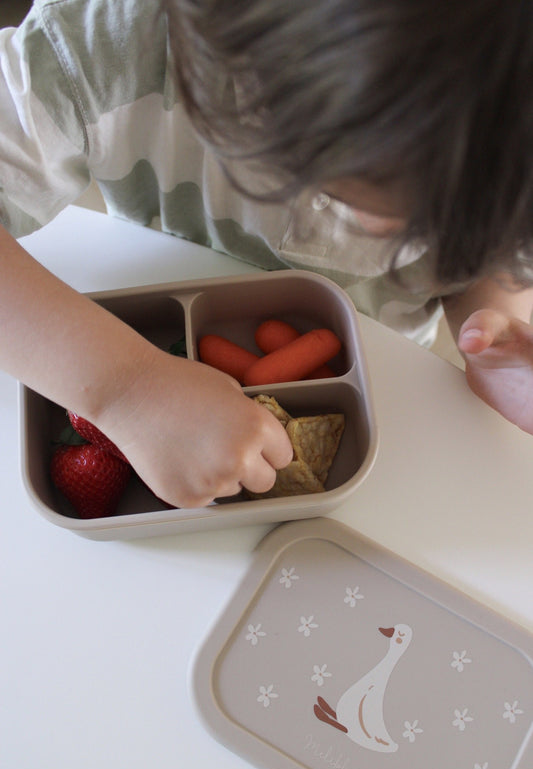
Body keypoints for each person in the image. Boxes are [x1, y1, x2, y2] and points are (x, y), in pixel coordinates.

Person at [1, 0, 533, 510]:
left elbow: (499, 264)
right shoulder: (105, 46)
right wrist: (125, 389)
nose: (378, 230)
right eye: (348, 188)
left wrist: (499, 325)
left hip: (391, 401)